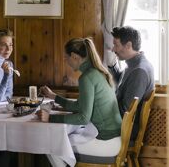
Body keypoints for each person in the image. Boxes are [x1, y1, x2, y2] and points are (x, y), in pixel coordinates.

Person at [38, 38, 122, 167]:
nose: (66, 61)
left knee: (52, 145)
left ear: (74, 56)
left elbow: (83, 118)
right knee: (60, 141)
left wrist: (50, 118)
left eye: (66, 58)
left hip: (107, 142)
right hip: (114, 139)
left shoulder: (87, 77)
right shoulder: (97, 72)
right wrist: (54, 96)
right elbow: (81, 106)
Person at [108, 26, 155, 141]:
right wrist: (112, 67)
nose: (113, 49)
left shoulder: (139, 71)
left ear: (128, 45)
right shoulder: (135, 64)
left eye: (116, 45)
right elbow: (124, 84)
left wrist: (100, 106)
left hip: (126, 131)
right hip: (124, 126)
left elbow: (126, 111)